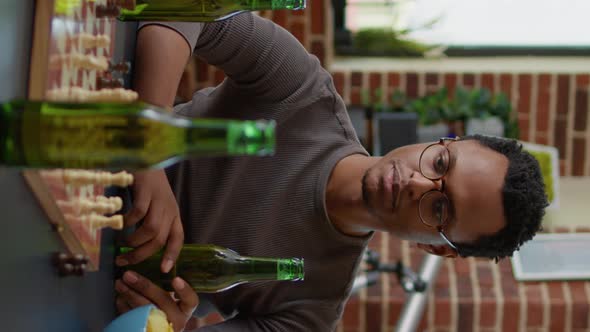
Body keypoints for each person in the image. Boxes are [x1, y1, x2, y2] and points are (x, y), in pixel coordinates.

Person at [113, 12, 548, 331]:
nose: (416, 184)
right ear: (443, 141)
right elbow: (188, 8)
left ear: (436, 249)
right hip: (83, 149)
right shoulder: (300, 89)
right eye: (439, 164)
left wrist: (168, 323)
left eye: (439, 208)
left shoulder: (311, 311)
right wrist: (151, 147)